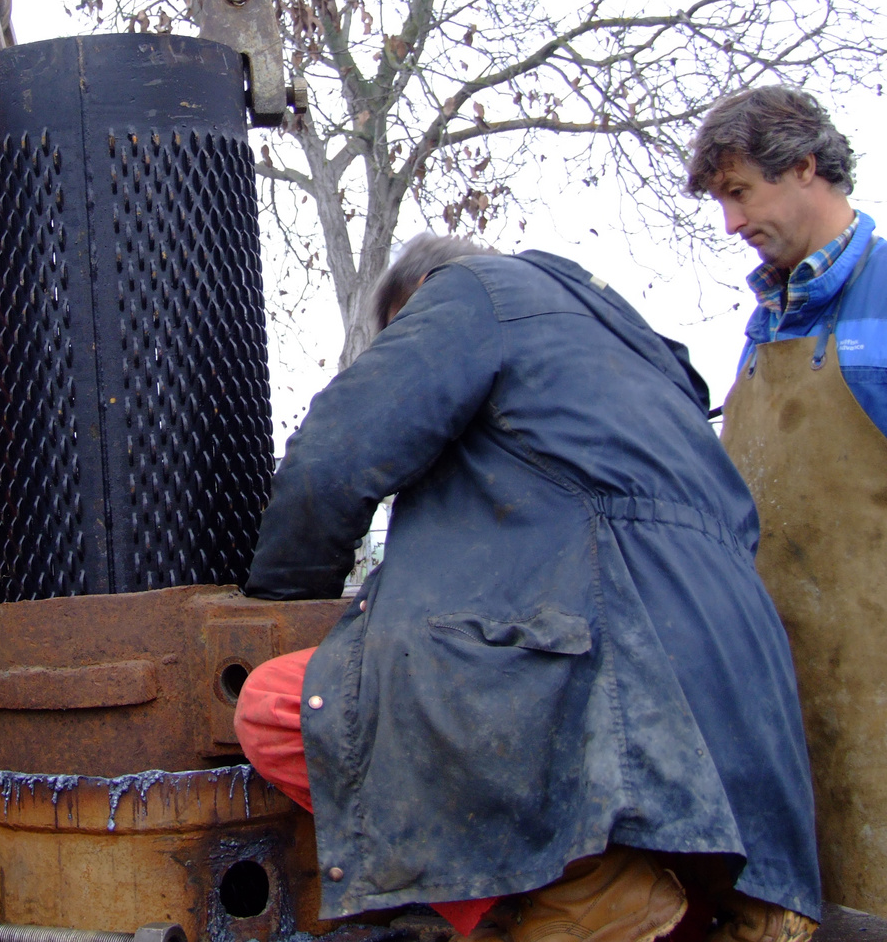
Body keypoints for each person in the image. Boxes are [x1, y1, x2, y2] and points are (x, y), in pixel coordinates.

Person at [233, 233, 820, 942]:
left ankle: (585, 898)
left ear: (422, 301)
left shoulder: (471, 294)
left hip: (607, 659)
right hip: (746, 714)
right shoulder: (643, 364)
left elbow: (332, 458)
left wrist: (286, 601)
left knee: (278, 707)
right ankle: (692, 901)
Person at [692, 86, 887, 914]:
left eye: (741, 193)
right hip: (780, 711)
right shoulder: (764, 323)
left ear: (805, 167)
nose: (731, 223)